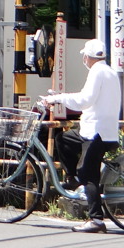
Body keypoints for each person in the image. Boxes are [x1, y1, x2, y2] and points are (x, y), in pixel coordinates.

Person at [40, 38, 122, 233]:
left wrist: (57, 98)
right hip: (101, 130)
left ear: (88, 57)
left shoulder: (97, 72)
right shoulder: (110, 72)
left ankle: (96, 220)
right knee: (64, 139)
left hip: (96, 133)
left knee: (89, 174)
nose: (83, 59)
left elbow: (84, 100)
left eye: (84, 56)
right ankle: (72, 179)